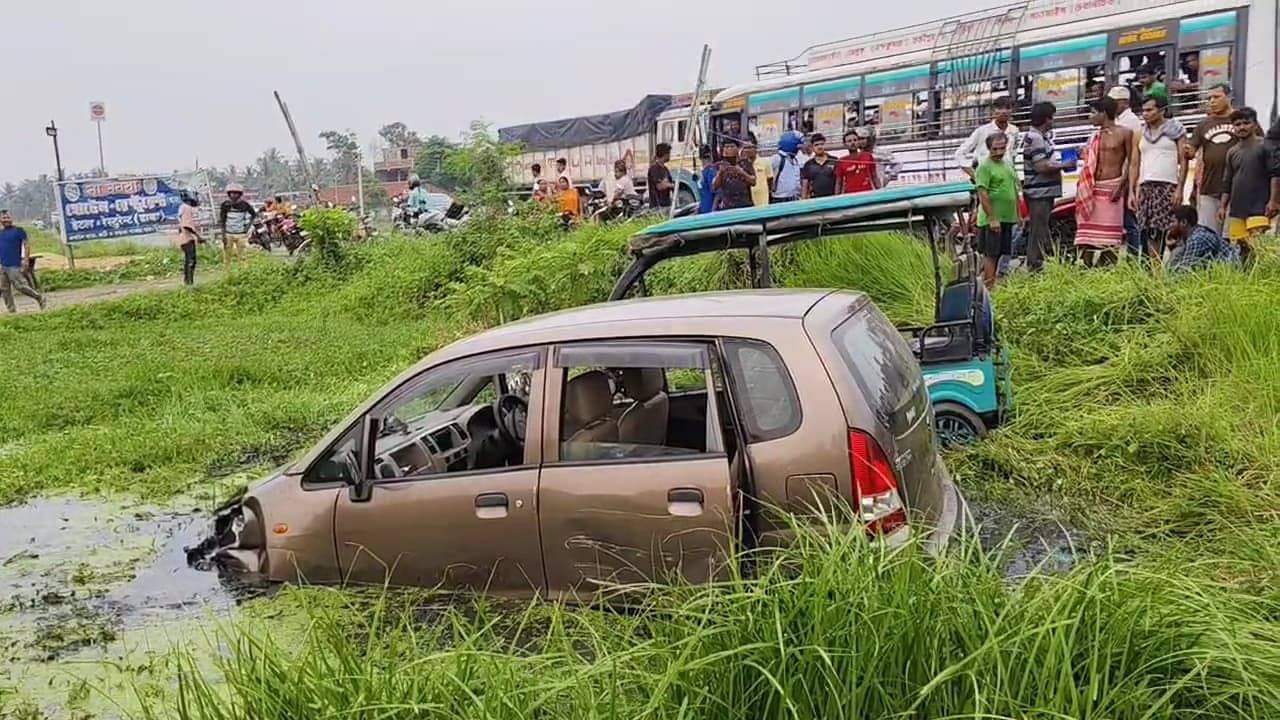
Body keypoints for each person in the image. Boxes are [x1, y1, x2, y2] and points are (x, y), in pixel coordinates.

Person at [1074, 97, 1131, 265]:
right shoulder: (1094, 136)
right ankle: (1086, 268)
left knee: (1110, 239)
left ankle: (1107, 270)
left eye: (1093, 113)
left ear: (1103, 113)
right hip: (1092, 188)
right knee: (1085, 238)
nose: (1090, 117)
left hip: (1112, 186)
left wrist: (1122, 185)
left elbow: (1132, 161)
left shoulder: (1125, 133)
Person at [1021, 102, 1077, 271]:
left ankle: (1042, 261)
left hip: (1043, 191)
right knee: (1038, 231)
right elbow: (1041, 166)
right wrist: (1064, 165)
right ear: (1046, 119)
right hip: (1039, 192)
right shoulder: (1036, 138)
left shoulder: (1039, 137)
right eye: (1051, 117)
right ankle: (1034, 265)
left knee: (1041, 229)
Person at [1132, 95, 1188, 260]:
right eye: (1143, 111)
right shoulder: (1140, 133)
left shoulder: (1176, 130)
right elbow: (1135, 164)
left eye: (1150, 110)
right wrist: (1133, 191)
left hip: (1167, 186)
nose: (1145, 114)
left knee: (1171, 230)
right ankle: (1155, 272)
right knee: (1150, 231)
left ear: (1162, 110)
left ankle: (1175, 266)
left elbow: (1183, 161)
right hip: (1145, 186)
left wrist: (1180, 188)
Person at [1183, 84, 1238, 235]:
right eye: (1209, 98)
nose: (1212, 101)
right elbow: (1191, 151)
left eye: (1216, 97)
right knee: (1209, 235)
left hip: (1237, 188)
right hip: (1210, 187)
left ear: (1229, 97)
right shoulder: (1203, 124)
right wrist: (1187, 151)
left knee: (1232, 238)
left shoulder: (1241, 119)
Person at [1220, 107, 1270, 262]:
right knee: (1242, 247)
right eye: (1237, 124)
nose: (1241, 127)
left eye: (1246, 123)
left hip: (1259, 206)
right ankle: (1246, 279)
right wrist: (1222, 206)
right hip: (1237, 208)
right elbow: (1227, 181)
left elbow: (1276, 175)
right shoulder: (1232, 152)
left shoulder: (1265, 146)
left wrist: (1273, 201)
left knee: (1259, 247)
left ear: (1255, 125)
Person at [975, 134, 1021, 289]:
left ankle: (991, 283)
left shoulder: (1007, 164)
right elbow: (983, 193)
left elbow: (1013, 189)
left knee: (1002, 253)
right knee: (991, 254)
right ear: (989, 148)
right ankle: (989, 287)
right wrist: (992, 218)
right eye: (995, 148)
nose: (999, 151)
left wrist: (1019, 214)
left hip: (1008, 217)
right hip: (992, 219)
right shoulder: (984, 167)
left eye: (1002, 148)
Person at [955, 96, 1019, 180]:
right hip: (987, 179)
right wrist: (975, 176)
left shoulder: (1014, 131)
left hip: (1007, 179)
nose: (1003, 112)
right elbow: (959, 154)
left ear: (1012, 110)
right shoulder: (982, 131)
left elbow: (1012, 156)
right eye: (999, 108)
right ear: (993, 111)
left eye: (1007, 108)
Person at [1165, 204, 1239, 271]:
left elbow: (1184, 271)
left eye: (1172, 222)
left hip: (1231, 270)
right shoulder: (1193, 234)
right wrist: (1173, 248)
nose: (1169, 226)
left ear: (1184, 222)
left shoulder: (1196, 239)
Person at [0, 210, 46, 312]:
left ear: (11, 219)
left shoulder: (19, 230)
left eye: (7, 218)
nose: (6, 220)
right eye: (3, 218)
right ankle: (11, 311)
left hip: (14, 264)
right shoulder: (1, 233)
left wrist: (26, 260)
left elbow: (26, 245)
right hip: (2, 265)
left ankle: (39, 297)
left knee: (20, 286)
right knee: (4, 289)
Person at [218, 183, 256, 270]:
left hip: (241, 234)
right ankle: (227, 273)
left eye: (236, 193)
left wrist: (247, 227)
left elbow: (253, 215)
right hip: (228, 234)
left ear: (240, 194)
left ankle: (242, 273)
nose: (233, 195)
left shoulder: (245, 205)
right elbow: (222, 221)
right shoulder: (225, 205)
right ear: (229, 194)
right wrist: (223, 235)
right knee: (227, 255)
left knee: (242, 256)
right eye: (232, 193)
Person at [712, 137, 756, 210]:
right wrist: (720, 172)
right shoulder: (719, 165)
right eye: (726, 147)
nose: (729, 149)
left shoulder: (745, 163)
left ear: (738, 148)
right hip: (727, 207)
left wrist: (741, 172)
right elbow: (714, 187)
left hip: (745, 206)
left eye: (732, 146)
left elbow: (753, 182)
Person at [836, 128, 878, 195]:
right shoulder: (841, 161)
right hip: (849, 196)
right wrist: (836, 199)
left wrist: (880, 192)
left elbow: (874, 176)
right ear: (845, 144)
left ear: (858, 142)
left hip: (867, 194)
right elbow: (839, 183)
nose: (853, 143)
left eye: (855, 140)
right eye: (849, 141)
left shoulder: (868, 156)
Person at [176, 190, 202, 287]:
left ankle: (187, 281)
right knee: (191, 260)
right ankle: (190, 283)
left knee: (188, 260)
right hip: (187, 238)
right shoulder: (187, 208)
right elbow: (187, 225)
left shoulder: (182, 208)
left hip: (184, 238)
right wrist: (198, 236)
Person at [800, 134, 837, 199]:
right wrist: (803, 201)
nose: (819, 147)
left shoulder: (834, 160)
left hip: (832, 199)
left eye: (821, 144)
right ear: (812, 147)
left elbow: (839, 181)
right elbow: (805, 186)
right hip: (815, 200)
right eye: (816, 145)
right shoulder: (808, 164)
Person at [771, 131, 804, 202]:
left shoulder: (795, 159)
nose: (798, 150)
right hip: (780, 198)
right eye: (797, 147)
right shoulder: (777, 158)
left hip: (795, 197)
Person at [744, 135, 772, 207]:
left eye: (749, 147)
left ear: (755, 148)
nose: (747, 150)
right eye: (745, 148)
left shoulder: (765, 162)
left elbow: (770, 180)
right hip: (746, 203)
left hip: (762, 201)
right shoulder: (742, 165)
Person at [647, 143, 674, 209]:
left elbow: (669, 183)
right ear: (664, 154)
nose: (669, 155)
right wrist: (669, 185)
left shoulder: (665, 169)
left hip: (666, 204)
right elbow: (659, 186)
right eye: (668, 153)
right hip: (657, 206)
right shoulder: (654, 169)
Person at [698, 146, 718, 214]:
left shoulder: (711, 171)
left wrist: (713, 210)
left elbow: (716, 193)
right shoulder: (704, 171)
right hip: (704, 208)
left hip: (710, 209)